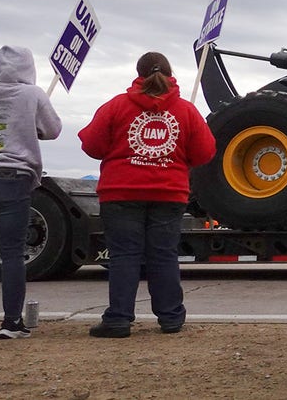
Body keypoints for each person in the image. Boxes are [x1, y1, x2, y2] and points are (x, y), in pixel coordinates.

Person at [79, 52, 215, 338]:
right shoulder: (186, 110)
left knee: (124, 256)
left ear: (138, 73)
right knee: (163, 255)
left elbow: (91, 145)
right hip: (169, 192)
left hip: (121, 192)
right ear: (170, 73)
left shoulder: (116, 106)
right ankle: (171, 318)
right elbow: (205, 152)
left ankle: (118, 319)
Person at [0, 45, 63, 339]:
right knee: (12, 252)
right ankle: (11, 322)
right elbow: (53, 130)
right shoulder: (32, 95)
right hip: (12, 179)